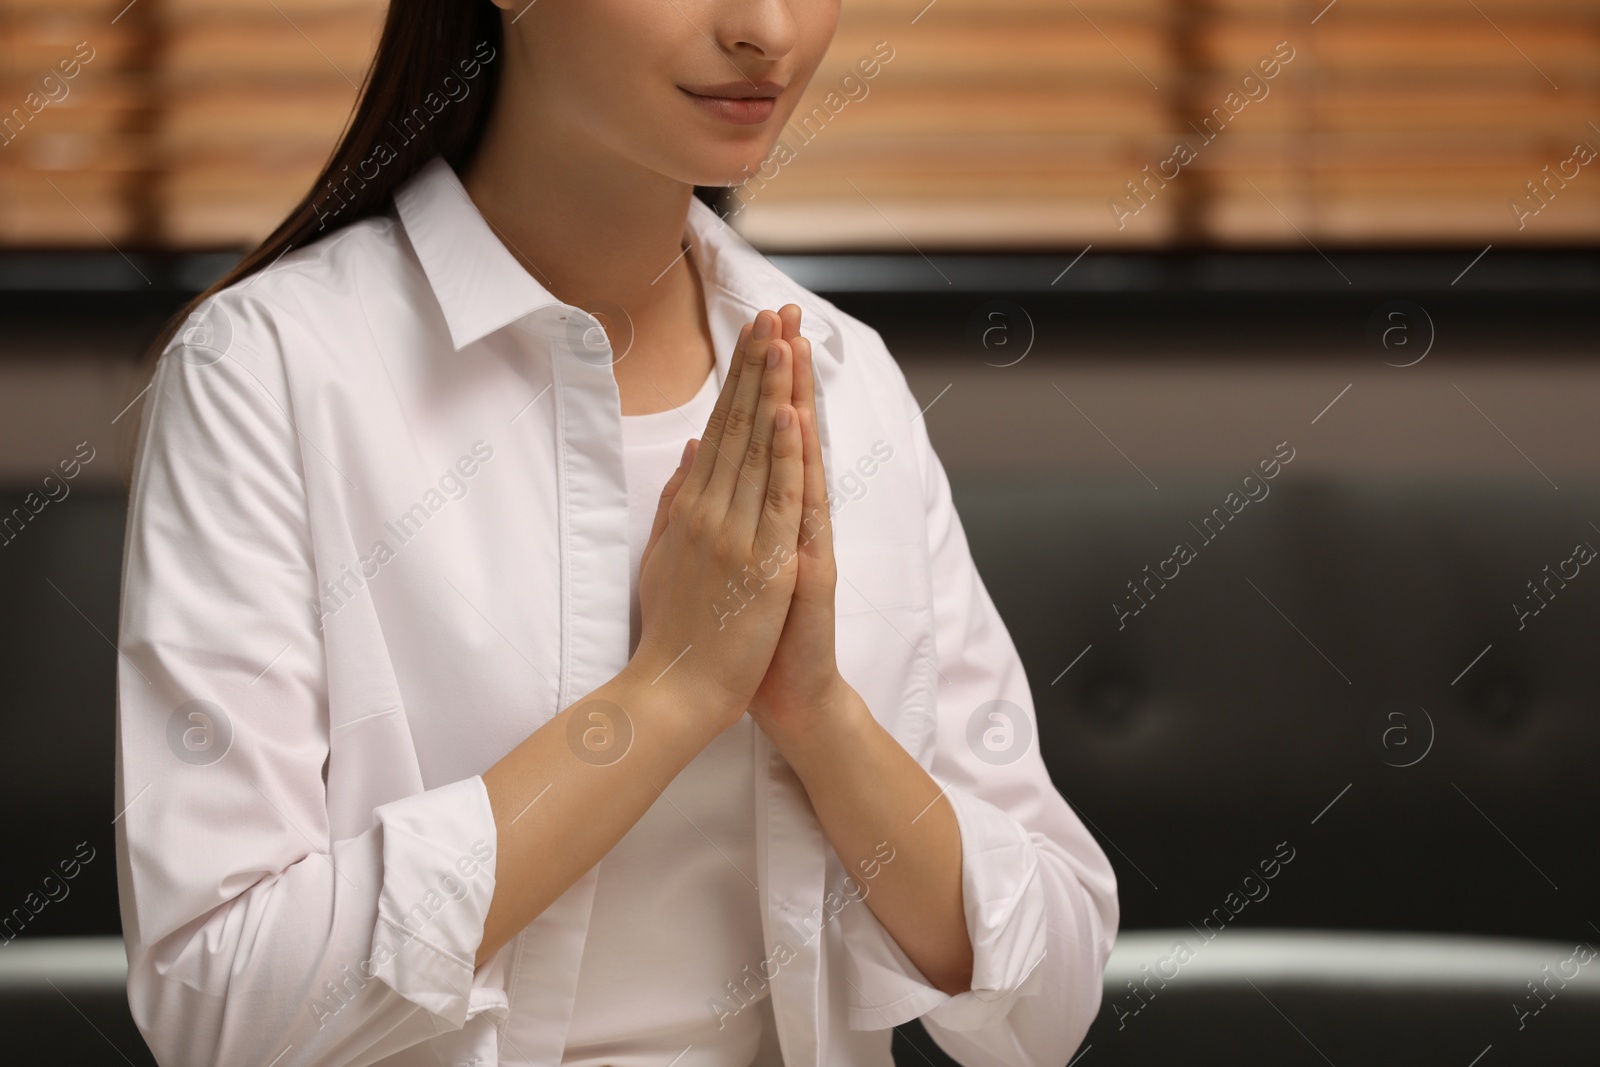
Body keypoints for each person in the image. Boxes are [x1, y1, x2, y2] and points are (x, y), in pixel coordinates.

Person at [112, 1, 1118, 1065]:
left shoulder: (843, 375)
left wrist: (820, 714)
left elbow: (1048, 995)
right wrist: (668, 693)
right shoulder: (268, 369)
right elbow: (218, 1001)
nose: (766, 31)